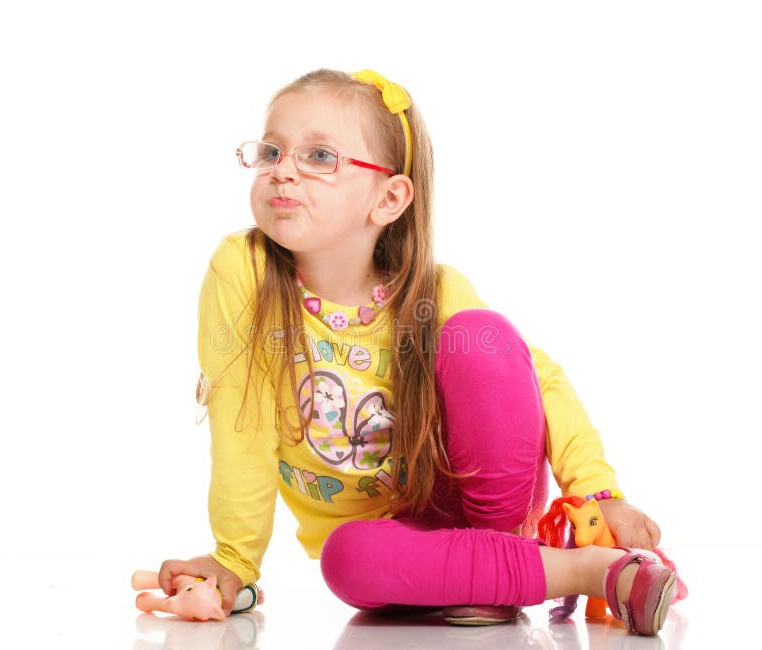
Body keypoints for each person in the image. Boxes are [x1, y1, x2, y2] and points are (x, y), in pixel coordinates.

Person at [157, 68, 676, 636]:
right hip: (394, 545)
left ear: (389, 198)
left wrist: (600, 493)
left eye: (320, 157)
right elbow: (241, 416)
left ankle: (531, 563)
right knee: (346, 560)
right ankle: (558, 574)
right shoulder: (244, 273)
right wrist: (235, 560)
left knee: (485, 335)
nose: (283, 169)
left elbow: (540, 385)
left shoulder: (433, 292)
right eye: (272, 150)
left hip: (484, 507)